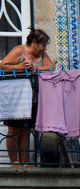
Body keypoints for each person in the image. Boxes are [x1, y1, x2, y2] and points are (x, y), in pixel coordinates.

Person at [0, 27, 54, 166]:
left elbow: (51, 67)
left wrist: (35, 68)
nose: (44, 48)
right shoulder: (20, 50)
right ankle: (14, 162)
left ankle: (24, 162)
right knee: (13, 129)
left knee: (25, 130)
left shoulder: (42, 54)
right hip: (16, 96)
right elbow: (2, 65)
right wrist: (20, 67)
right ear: (34, 42)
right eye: (42, 44)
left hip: (33, 98)